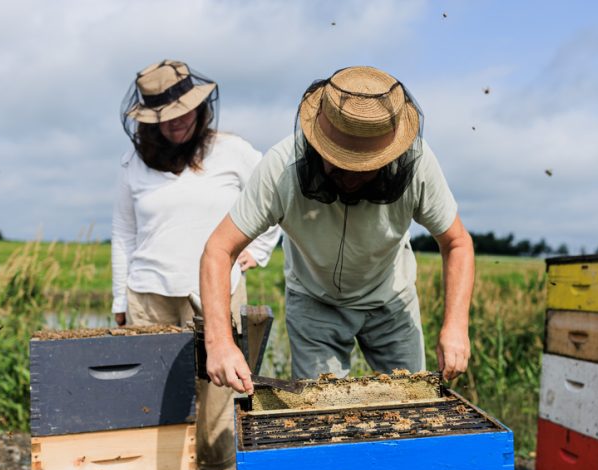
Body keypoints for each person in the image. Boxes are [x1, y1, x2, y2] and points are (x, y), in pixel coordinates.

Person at [199, 65, 474, 395]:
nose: (352, 173)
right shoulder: (281, 166)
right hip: (316, 302)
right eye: (341, 161)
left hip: (391, 301)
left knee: (410, 401)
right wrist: (218, 342)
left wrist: (456, 326)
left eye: (366, 166)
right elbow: (219, 249)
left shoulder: (417, 165)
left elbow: (457, 242)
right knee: (320, 410)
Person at [112, 59, 280, 470]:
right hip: (147, 292)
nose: (179, 121)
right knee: (153, 397)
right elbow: (124, 232)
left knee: (216, 391)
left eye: (186, 110)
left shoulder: (235, 152)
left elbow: (275, 197)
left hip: (216, 291)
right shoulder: (133, 164)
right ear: (149, 122)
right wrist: (118, 295)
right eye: (166, 117)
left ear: (201, 107)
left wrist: (258, 251)